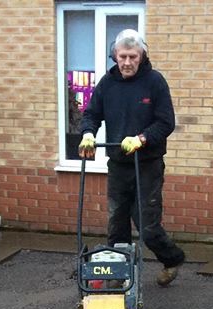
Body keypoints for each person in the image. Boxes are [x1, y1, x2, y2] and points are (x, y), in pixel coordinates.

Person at [78, 29, 185, 287]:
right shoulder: (107, 83)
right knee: (117, 223)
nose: (127, 62)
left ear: (142, 55)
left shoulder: (154, 82)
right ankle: (118, 274)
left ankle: (172, 259)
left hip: (147, 165)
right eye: (122, 56)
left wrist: (142, 138)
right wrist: (88, 133)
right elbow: (91, 114)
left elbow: (166, 122)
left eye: (133, 57)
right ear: (115, 55)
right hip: (118, 165)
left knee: (147, 226)